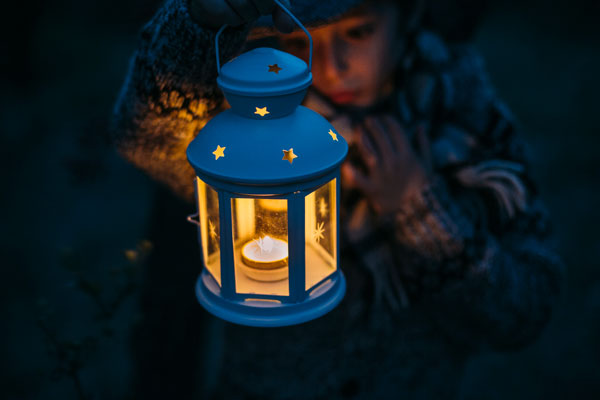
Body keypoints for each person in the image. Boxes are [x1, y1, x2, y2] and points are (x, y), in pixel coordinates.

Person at [112, 0, 564, 398]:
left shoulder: (465, 119)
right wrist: (194, 22)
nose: (330, 66)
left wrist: (421, 214)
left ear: (407, 13)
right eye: (296, 44)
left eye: (358, 31)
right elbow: (145, 138)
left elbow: (524, 313)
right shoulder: (247, 134)